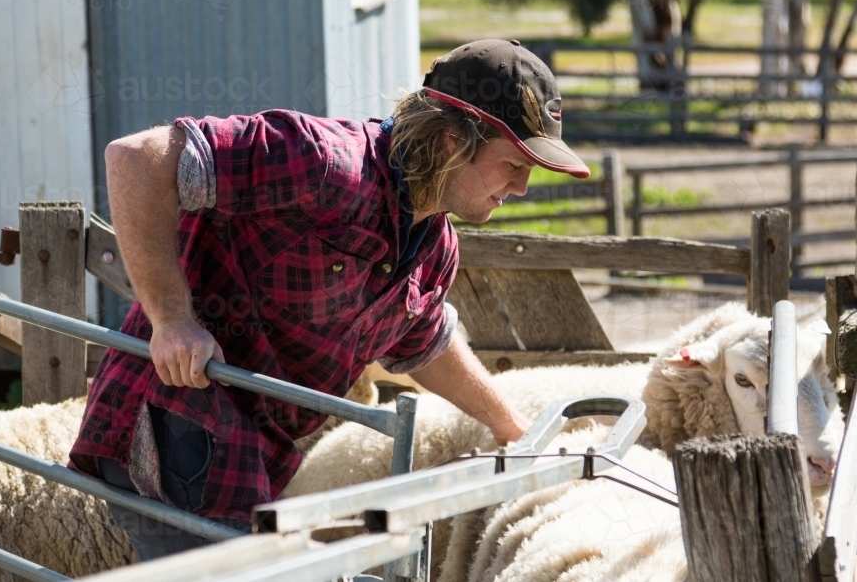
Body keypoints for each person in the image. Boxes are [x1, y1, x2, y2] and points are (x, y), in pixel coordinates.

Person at [68, 39, 591, 560]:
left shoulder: (435, 246)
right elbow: (136, 159)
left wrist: (510, 427)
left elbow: (422, 342)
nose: (522, 186)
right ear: (454, 140)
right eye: (513, 164)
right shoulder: (321, 163)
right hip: (176, 416)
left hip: (259, 456)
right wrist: (172, 318)